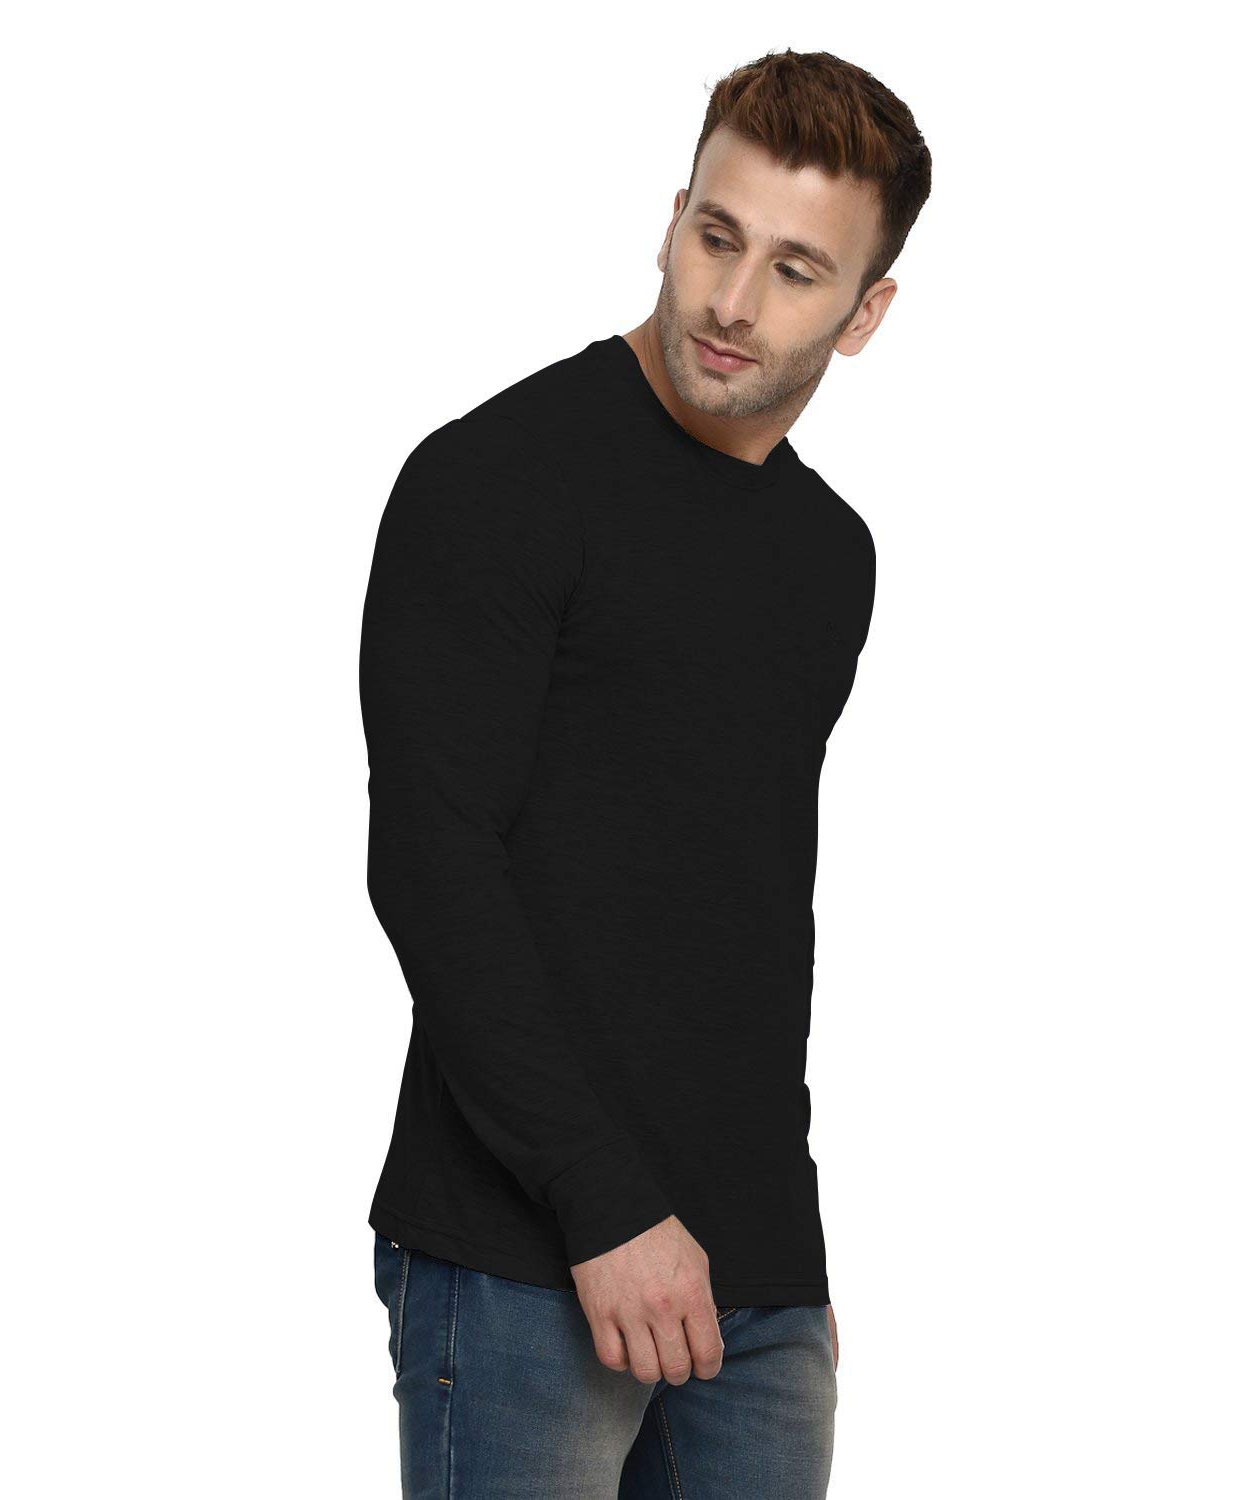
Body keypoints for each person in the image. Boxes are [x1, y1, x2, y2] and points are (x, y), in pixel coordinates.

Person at [359, 46, 931, 1498]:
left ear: (865, 313)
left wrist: (782, 1250)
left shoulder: (829, 557)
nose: (733, 302)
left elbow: (737, 912)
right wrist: (602, 1203)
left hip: (754, 1289)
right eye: (716, 237)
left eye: (796, 271)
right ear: (672, 219)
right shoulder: (495, 481)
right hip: (520, 1259)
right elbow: (432, 860)